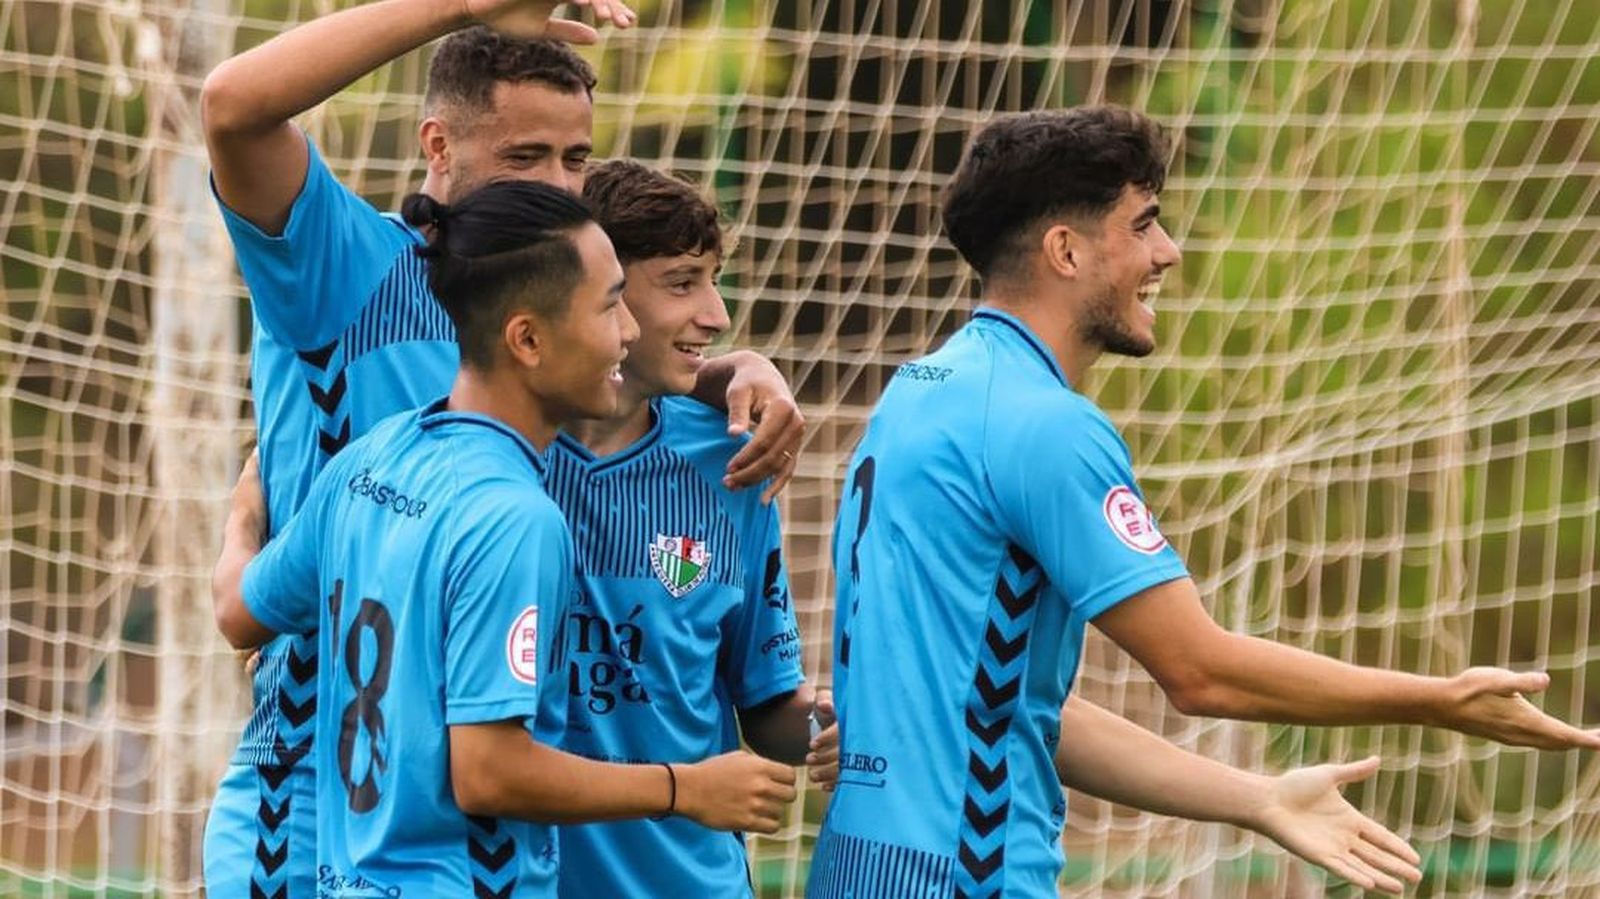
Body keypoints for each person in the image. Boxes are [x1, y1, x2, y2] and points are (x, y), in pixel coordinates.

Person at [810, 106, 1600, 898]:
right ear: (1065, 249)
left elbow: (1012, 706)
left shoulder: (913, 399)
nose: (1167, 251)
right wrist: (1440, 697)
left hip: (859, 868)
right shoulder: (1044, 425)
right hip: (967, 879)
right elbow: (1201, 671)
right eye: (1143, 224)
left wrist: (1257, 798)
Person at [198, 3, 803, 895]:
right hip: (319, 803)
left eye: (576, 158)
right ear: (437, 148)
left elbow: (633, 351)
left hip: (484, 821)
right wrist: (467, 5)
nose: (561, 186)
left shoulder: (558, 330)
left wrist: (725, 370)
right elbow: (232, 105)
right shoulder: (351, 267)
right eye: (526, 157)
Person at [541, 160, 834, 897]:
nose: (716, 314)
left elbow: (762, 704)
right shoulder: (489, 451)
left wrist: (838, 724)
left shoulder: (734, 460)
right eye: (681, 282)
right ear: (598, 288)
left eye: (713, 279)